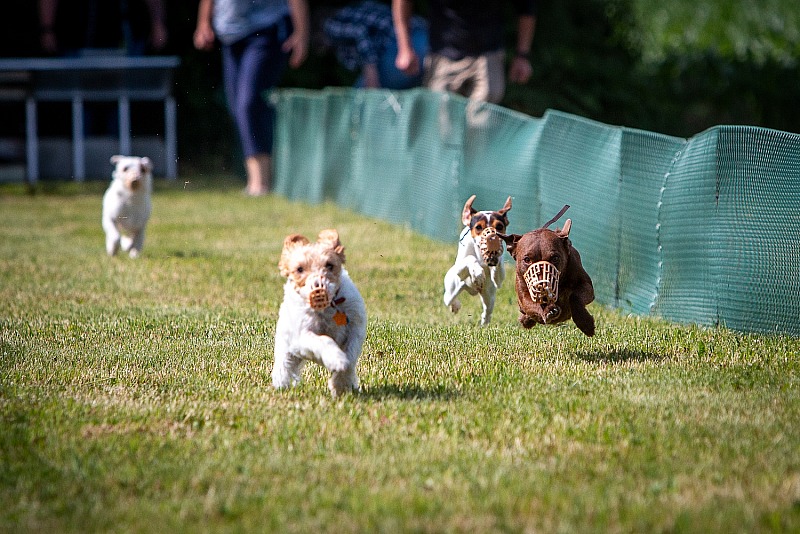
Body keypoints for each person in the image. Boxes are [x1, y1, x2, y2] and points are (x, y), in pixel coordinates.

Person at [194, 0, 309, 196]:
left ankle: (261, 182)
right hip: (231, 35)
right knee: (237, 107)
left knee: (248, 104)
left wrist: (301, 33)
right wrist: (203, 23)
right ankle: (255, 180)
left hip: (266, 31)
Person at [391, 0, 536, 104]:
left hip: (487, 55)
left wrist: (522, 56)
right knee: (441, 126)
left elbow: (526, 8)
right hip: (442, 55)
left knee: (480, 126)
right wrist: (404, 48)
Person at [323, 0, 428, 90]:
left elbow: (359, 32)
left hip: (403, 45)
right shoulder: (354, 9)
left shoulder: (329, 25)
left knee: (359, 101)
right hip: (426, 36)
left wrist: (370, 73)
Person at [38, 0, 168, 56]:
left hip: (126, 39)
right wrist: (47, 29)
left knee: (124, 100)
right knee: (78, 99)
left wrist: (158, 23)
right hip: (75, 39)